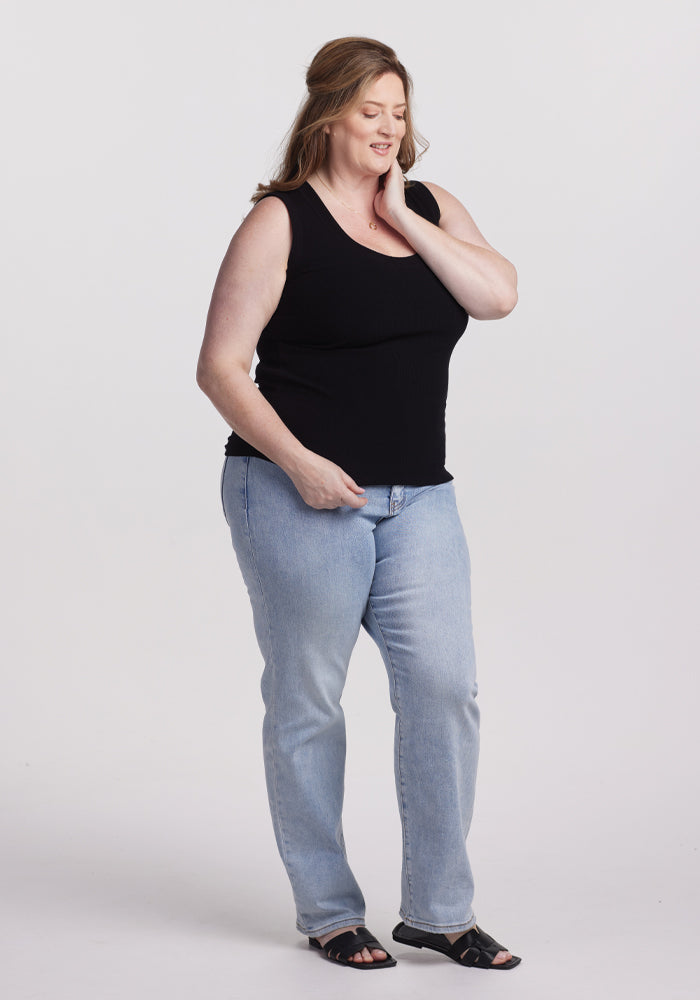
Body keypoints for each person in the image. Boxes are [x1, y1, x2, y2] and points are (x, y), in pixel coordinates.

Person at [196, 36, 520, 972]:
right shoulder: (278, 223)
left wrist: (403, 217)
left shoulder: (430, 206)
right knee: (309, 701)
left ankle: (439, 911)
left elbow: (498, 295)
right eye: (371, 110)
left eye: (400, 112)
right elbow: (220, 368)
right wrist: (298, 463)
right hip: (294, 492)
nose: (388, 127)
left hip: (420, 499)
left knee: (444, 690)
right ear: (330, 112)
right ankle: (330, 909)